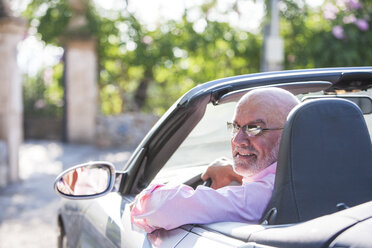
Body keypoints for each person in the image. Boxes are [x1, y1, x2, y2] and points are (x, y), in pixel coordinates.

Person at [130, 87, 300, 233]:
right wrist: (237, 175)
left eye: (254, 128)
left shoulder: (260, 197)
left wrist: (141, 200)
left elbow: (158, 208)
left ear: (291, 134)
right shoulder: (311, 180)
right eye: (235, 126)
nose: (237, 140)